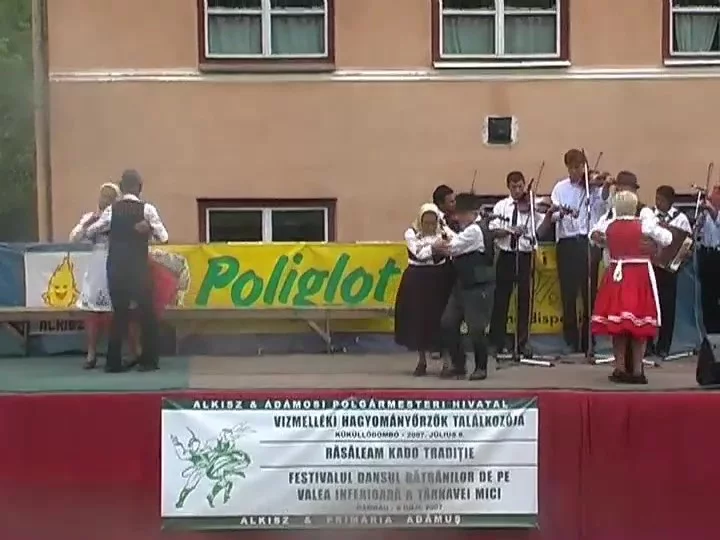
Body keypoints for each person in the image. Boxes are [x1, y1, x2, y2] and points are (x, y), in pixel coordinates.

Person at [84, 170, 169, 373]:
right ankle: (148, 361)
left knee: (119, 314)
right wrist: (149, 229)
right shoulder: (147, 209)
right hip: (138, 268)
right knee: (147, 315)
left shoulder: (111, 210)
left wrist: (110, 230)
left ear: (121, 188)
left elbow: (90, 231)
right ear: (140, 188)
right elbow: (164, 237)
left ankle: (113, 363)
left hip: (116, 267)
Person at [590, 191, 673, 384]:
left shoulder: (609, 225)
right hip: (639, 276)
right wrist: (654, 242)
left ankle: (619, 368)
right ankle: (637, 370)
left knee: (618, 325)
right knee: (639, 325)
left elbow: (594, 235)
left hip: (616, 276)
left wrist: (604, 240)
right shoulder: (644, 225)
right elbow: (668, 238)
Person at [70, 183, 140, 369]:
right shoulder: (90, 217)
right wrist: (87, 224)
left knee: (125, 311)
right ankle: (91, 354)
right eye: (103, 196)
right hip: (97, 268)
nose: (105, 200)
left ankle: (133, 352)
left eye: (110, 197)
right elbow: (74, 238)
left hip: (119, 263)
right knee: (92, 312)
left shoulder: (120, 218)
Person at [549, 149, 612, 355]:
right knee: (568, 293)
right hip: (567, 243)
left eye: (580, 167)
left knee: (589, 293)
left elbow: (603, 206)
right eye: (573, 167)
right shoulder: (560, 188)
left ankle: (588, 340)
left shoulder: (593, 188)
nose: (578, 171)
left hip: (587, 242)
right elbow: (552, 214)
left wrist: (605, 187)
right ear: (568, 168)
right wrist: (561, 212)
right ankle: (570, 340)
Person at [432, 192, 496, 381]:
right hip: (462, 285)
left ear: (471, 213)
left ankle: (481, 367)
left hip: (477, 287)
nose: (457, 218)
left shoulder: (475, 231)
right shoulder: (469, 229)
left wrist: (438, 245)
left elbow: (452, 247)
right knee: (448, 323)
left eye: (460, 214)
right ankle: (459, 364)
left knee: (476, 329)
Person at [488, 171, 550, 357]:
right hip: (507, 254)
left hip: (524, 254)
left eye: (520, 187)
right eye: (514, 187)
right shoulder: (501, 206)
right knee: (501, 300)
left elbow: (541, 231)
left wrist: (548, 214)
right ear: (508, 187)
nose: (518, 190)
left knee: (524, 299)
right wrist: (510, 230)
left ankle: (522, 342)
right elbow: (493, 231)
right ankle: (496, 341)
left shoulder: (532, 206)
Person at [394, 203, 454, 376]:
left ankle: (447, 362)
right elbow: (418, 253)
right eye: (426, 223)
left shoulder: (443, 231)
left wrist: (439, 245)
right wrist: (435, 248)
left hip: (440, 278)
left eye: (433, 223)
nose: (429, 226)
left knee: (442, 319)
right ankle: (422, 361)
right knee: (418, 319)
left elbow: (453, 244)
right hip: (417, 280)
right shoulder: (411, 233)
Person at [648, 185, 692, 358]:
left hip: (669, 269)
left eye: (661, 200)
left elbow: (687, 243)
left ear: (670, 201)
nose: (657, 203)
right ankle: (648, 344)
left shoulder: (680, 219)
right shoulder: (650, 216)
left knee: (667, 307)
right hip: (652, 265)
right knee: (650, 306)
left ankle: (663, 345)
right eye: (656, 199)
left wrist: (681, 257)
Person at [696, 186, 720, 333]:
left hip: (718, 255)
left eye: (713, 196)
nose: (710, 199)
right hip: (706, 255)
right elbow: (698, 231)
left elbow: (717, 219)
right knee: (707, 295)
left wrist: (710, 209)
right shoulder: (706, 215)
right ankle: (709, 330)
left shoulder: (714, 213)